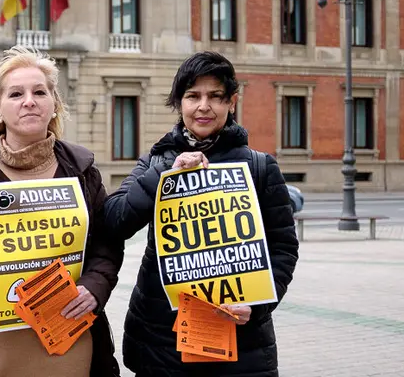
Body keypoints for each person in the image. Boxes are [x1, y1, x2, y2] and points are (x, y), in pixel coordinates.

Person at [0, 46, 124, 377]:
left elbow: (106, 244)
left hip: (65, 336)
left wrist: (95, 285)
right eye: (16, 93)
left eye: (39, 92)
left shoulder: (82, 170)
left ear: (54, 104)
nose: (29, 100)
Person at [104, 51, 299, 376]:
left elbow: (283, 248)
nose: (203, 106)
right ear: (180, 103)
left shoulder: (260, 167)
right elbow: (114, 221)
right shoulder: (155, 162)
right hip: (162, 342)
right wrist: (163, 178)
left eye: (215, 97)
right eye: (193, 96)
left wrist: (260, 304)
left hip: (240, 343)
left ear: (231, 102)